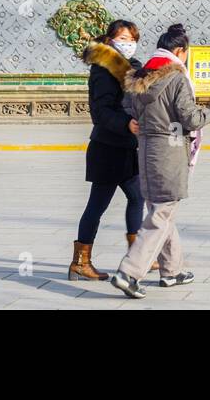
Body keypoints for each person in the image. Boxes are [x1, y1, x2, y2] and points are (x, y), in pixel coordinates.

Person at [110, 24, 210, 299]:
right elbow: (189, 118)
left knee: (162, 209)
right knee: (162, 212)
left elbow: (128, 108)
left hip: (146, 149)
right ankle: (129, 272)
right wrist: (207, 113)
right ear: (179, 51)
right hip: (171, 148)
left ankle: (172, 271)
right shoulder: (177, 77)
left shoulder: (141, 76)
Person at [68, 20, 145, 282]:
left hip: (127, 148)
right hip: (108, 148)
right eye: (123, 38)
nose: (129, 43)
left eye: (132, 39)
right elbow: (100, 112)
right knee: (96, 207)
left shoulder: (133, 69)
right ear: (110, 40)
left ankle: (139, 257)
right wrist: (127, 124)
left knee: (138, 198)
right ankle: (81, 262)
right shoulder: (103, 70)